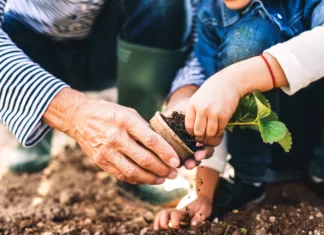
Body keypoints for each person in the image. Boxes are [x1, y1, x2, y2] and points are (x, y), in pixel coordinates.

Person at [0, 0, 215, 187]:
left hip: (111, 49)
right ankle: (35, 127)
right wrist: (72, 113)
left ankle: (143, 147)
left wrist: (185, 92)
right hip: (27, 47)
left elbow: (200, 19)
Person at [154, 0, 324, 229]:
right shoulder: (210, 14)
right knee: (248, 38)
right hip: (262, 156)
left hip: (314, 134)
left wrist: (237, 79)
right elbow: (211, 105)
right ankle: (250, 181)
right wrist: (203, 195)